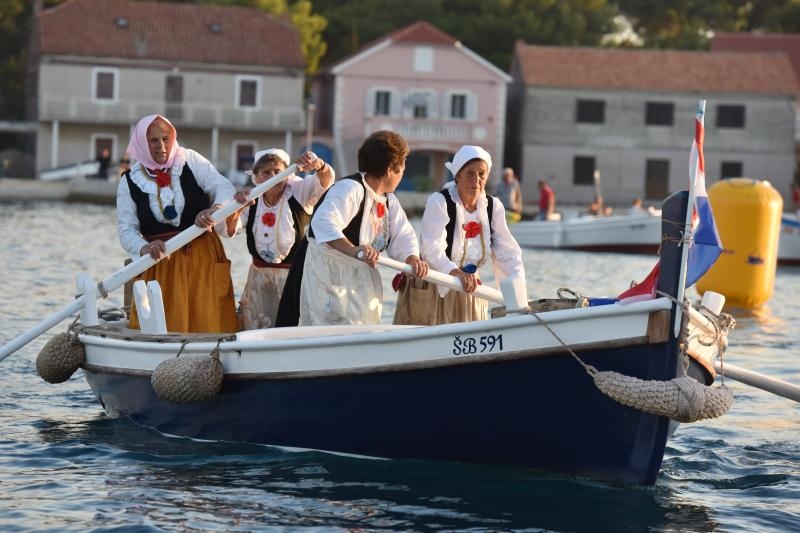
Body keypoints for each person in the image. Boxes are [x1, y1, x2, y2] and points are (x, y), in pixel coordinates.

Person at [276, 130, 427, 327]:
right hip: (325, 271)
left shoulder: (389, 200)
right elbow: (323, 222)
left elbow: (403, 234)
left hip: (357, 277)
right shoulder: (350, 188)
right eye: (403, 165)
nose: (404, 170)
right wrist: (354, 250)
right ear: (390, 168)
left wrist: (412, 258)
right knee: (318, 327)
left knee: (358, 327)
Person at [117, 114, 246, 333]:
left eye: (166, 138)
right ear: (142, 143)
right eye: (154, 140)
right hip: (160, 265)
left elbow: (223, 187)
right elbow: (126, 229)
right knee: (164, 324)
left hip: (202, 259)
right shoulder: (130, 180)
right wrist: (145, 247)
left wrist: (215, 209)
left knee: (208, 321)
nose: (162, 146)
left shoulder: (189, 160)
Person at [393, 145, 525, 326]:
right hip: (434, 285)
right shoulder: (440, 201)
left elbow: (508, 253)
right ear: (457, 176)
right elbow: (431, 248)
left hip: (470, 288)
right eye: (470, 173)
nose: (476, 179)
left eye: (482, 174)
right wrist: (455, 272)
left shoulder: (492, 207)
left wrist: (518, 294)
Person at [233, 148, 334, 330]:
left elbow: (325, 182)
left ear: (286, 175)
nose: (273, 176)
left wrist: (317, 164)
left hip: (292, 279)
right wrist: (238, 206)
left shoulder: (298, 192)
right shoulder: (252, 199)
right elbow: (230, 230)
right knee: (254, 332)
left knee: (290, 330)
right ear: (256, 178)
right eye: (266, 172)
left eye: (278, 172)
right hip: (258, 280)